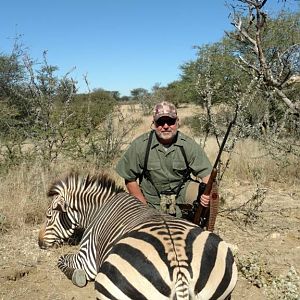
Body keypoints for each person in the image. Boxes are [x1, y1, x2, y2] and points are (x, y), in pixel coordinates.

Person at [115, 101, 212, 218]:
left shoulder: (188, 145)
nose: (165, 126)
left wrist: (207, 194)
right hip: (151, 198)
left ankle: (203, 227)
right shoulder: (140, 145)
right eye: (160, 122)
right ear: (154, 124)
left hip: (181, 192)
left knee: (212, 197)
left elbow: (207, 175)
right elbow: (129, 179)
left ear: (177, 122)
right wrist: (143, 208)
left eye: (170, 121)